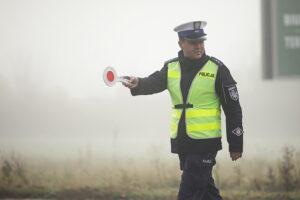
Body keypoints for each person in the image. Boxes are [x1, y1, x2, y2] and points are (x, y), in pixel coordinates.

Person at [122, 21, 243, 200]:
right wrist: (138, 83)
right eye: (194, 42)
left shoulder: (218, 69)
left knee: (189, 191)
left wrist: (236, 142)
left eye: (201, 42)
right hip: (182, 141)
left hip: (205, 143)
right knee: (206, 191)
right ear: (181, 43)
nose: (199, 46)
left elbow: (233, 108)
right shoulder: (171, 67)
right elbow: (153, 82)